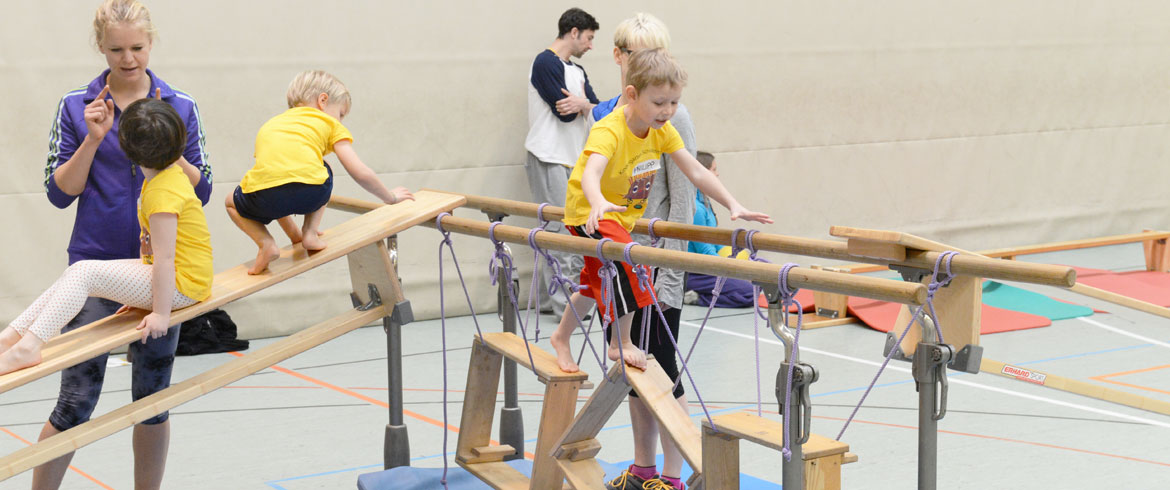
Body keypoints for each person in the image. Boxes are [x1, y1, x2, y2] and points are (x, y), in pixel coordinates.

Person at [34, 1, 211, 487]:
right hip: (95, 266)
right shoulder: (76, 104)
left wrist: (169, 150)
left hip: (159, 274)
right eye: (116, 49)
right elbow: (58, 193)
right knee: (75, 401)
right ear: (100, 47)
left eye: (137, 47)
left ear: (151, 43)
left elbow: (204, 189)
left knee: (152, 401)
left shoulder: (181, 104)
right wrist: (93, 139)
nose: (128, 58)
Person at [548, 47, 772, 375]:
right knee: (628, 260)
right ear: (632, 94)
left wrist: (734, 203)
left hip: (617, 215)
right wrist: (597, 202)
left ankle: (560, 336)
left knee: (591, 283)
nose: (667, 111)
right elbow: (591, 173)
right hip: (590, 212)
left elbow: (695, 171)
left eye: (674, 102)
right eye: (659, 103)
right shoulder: (609, 129)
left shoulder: (661, 131)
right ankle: (620, 342)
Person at [2, 98, 212, 377]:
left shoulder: (164, 193)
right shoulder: (164, 177)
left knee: (85, 274)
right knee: (78, 270)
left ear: (125, 149)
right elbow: (154, 253)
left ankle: (29, 346)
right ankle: (10, 338)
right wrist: (134, 291)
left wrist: (160, 313)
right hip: (178, 276)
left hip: (184, 284)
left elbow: (165, 259)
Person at [587, 14, 697, 490]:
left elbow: (684, 197)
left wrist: (671, 272)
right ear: (620, 57)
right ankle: (643, 469)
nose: (645, 62)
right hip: (620, 258)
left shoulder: (672, 114)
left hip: (654, 266)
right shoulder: (609, 114)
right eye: (635, 53)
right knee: (632, 368)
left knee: (663, 371)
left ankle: (671, 476)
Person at [225, 70, 414, 275]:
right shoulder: (329, 123)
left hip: (264, 198)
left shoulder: (271, 124)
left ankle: (265, 242)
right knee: (323, 168)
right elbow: (359, 171)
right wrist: (390, 197)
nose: (340, 121)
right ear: (323, 100)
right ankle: (310, 233)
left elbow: (274, 178)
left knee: (232, 201)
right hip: (312, 193)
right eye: (341, 114)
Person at [525, 7, 600, 314]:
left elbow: (597, 108)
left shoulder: (578, 72)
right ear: (574, 32)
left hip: (572, 159)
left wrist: (583, 103)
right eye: (589, 38)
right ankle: (563, 306)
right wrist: (583, 106)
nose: (591, 46)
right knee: (559, 231)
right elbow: (563, 111)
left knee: (563, 230)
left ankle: (547, 300)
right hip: (548, 156)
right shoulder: (545, 62)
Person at [685, 151, 759, 308]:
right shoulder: (696, 208)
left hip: (711, 263)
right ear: (704, 173)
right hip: (697, 272)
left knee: (767, 270)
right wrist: (731, 269)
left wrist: (737, 257)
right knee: (749, 292)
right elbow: (704, 251)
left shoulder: (705, 201)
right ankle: (696, 297)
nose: (717, 174)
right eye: (714, 169)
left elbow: (715, 242)